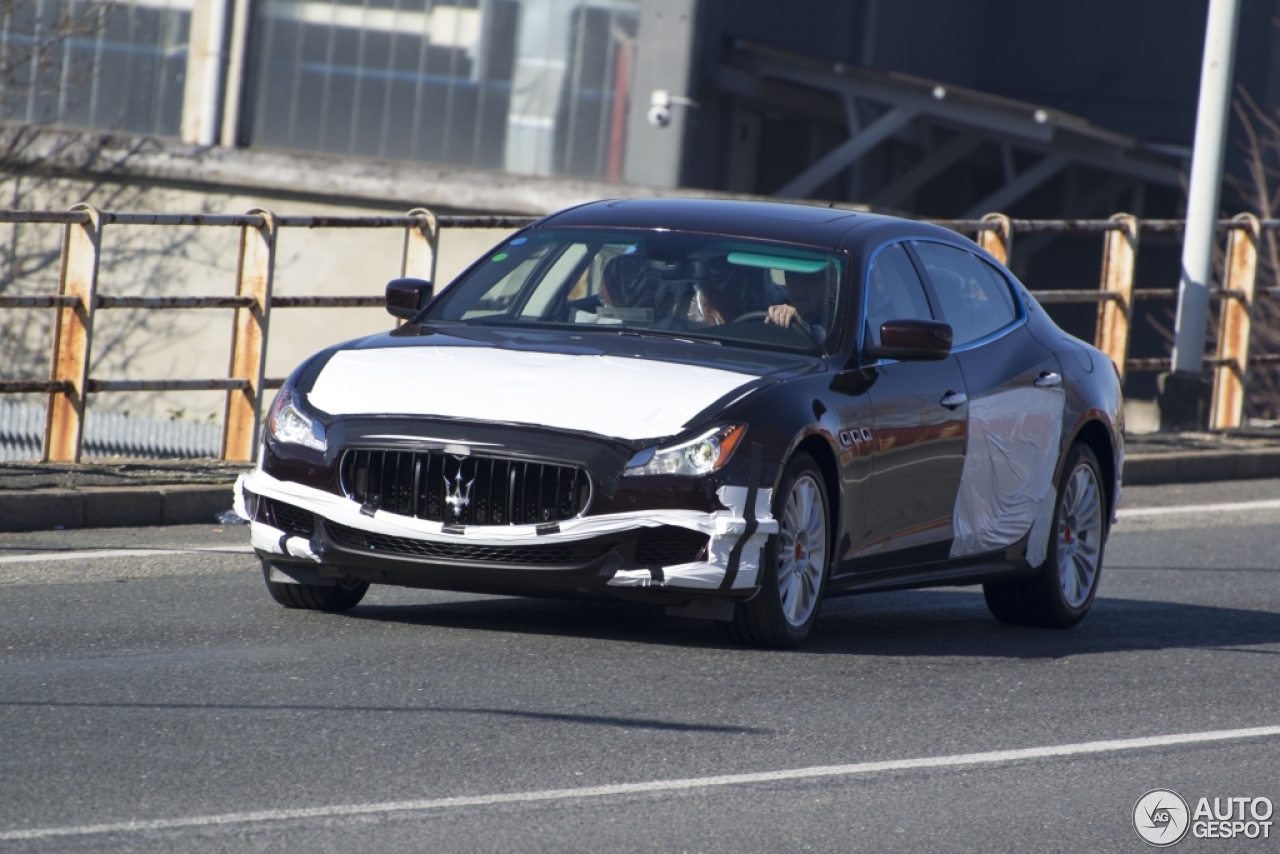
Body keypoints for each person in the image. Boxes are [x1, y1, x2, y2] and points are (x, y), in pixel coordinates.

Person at [765, 266, 831, 344]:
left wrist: (803, 328)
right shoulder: (772, 309)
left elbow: (826, 337)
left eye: (810, 278)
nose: (799, 287)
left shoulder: (840, 321)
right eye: (793, 277)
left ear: (829, 287)